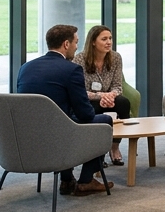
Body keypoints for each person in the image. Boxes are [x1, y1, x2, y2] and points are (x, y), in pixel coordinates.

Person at [16, 24, 113, 197]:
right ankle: (86, 181)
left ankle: (67, 180)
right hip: (60, 136)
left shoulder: (25, 68)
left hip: (28, 137)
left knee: (64, 121)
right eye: (75, 42)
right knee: (104, 121)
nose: (77, 47)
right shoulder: (71, 69)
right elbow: (85, 114)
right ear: (66, 44)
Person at [73, 24, 131, 166]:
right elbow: (79, 91)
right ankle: (98, 153)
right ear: (93, 42)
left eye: (110, 38)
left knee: (123, 103)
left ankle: (114, 147)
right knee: (95, 109)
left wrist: (110, 95)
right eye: (104, 39)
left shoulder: (116, 57)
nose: (109, 42)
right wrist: (101, 96)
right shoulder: (79, 60)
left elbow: (118, 85)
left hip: (109, 97)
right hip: (89, 99)